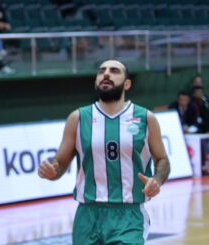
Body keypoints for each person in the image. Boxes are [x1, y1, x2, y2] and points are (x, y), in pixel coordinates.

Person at [38, 60, 170, 245]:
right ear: (96, 82)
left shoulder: (146, 118)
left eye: (114, 71)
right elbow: (60, 163)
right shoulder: (78, 118)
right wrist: (52, 171)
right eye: (101, 71)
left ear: (127, 84)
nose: (106, 74)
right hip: (87, 215)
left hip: (128, 215)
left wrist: (157, 180)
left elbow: (162, 159)